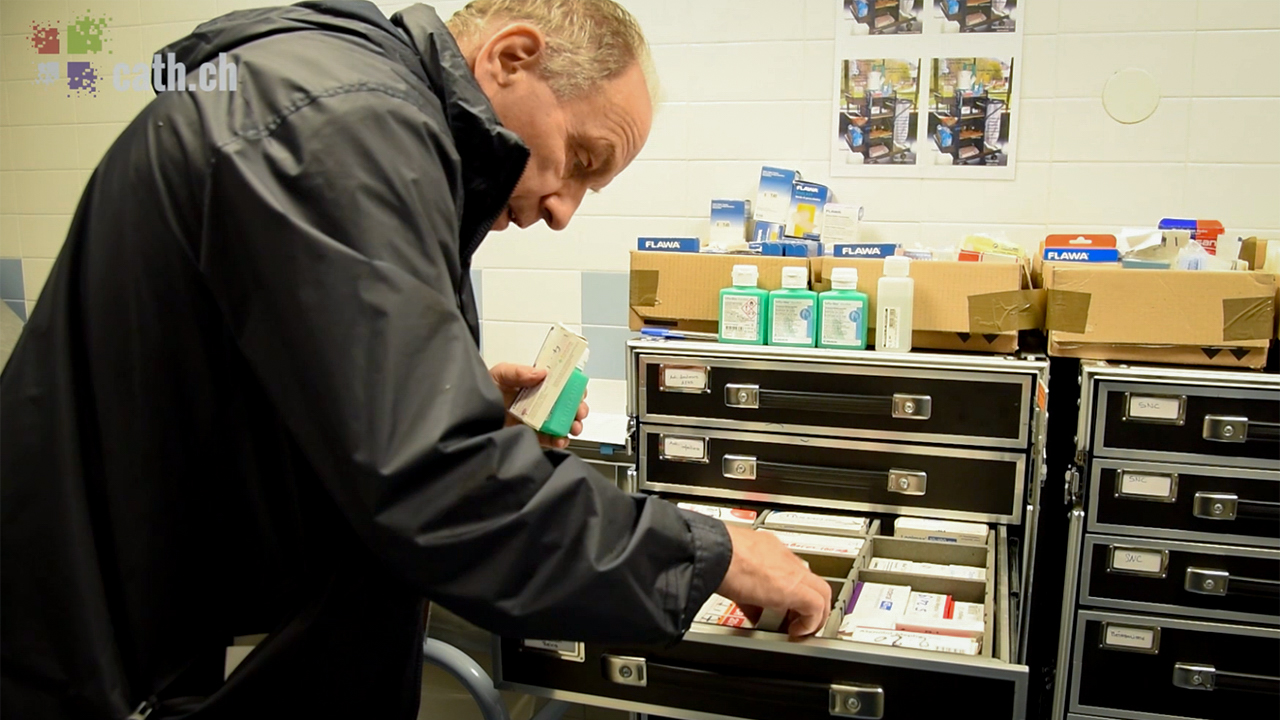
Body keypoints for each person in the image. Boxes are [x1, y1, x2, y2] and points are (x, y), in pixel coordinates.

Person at [0, 2, 831, 718]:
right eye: (579, 160)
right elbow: (432, 481)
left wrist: (464, 401)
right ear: (511, 57)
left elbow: (284, 396)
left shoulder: (344, 106)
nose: (564, 209)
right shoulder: (346, 124)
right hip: (127, 658)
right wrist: (709, 552)